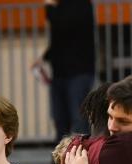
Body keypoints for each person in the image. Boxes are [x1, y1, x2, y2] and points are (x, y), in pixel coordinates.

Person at [41, 0, 95, 142]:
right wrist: (44, 58)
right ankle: (59, 160)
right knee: (60, 119)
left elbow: (64, 26)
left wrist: (49, 7)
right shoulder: (61, 7)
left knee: (78, 120)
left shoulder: (81, 5)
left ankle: (82, 156)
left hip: (79, 71)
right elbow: (60, 39)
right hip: (60, 72)